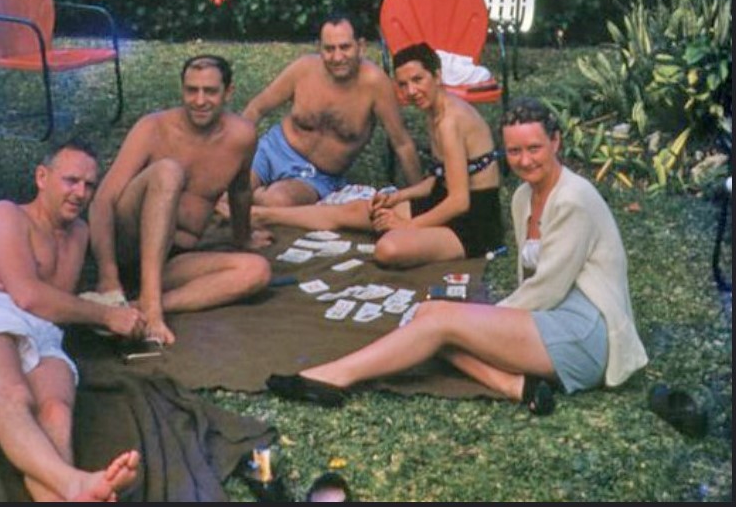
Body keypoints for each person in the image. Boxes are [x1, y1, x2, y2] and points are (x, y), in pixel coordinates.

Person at [266, 96, 649, 414]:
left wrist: (481, 318)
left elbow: (547, 289)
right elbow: (532, 281)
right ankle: (517, 387)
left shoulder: (574, 199)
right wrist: (474, 320)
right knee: (426, 315)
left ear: (556, 143)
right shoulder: (522, 196)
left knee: (441, 323)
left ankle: (334, 376)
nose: (525, 160)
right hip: (551, 320)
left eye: (534, 148)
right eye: (514, 151)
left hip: (585, 337)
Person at [0, 140, 144, 502]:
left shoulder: (79, 234)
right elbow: (27, 294)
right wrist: (107, 315)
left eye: (89, 185)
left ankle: (66, 496)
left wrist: (120, 312)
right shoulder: (7, 214)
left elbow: (56, 306)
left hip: (45, 329)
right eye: (71, 180)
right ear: (42, 177)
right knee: (12, 396)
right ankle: (73, 483)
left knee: (57, 410)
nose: (80, 193)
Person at [245, 42, 504, 268]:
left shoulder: (450, 121)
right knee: (356, 211)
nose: (412, 91)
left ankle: (417, 233)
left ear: (436, 76)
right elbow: (442, 178)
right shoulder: (434, 112)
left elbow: (460, 201)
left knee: (388, 248)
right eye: (403, 85)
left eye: (418, 80)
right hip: (441, 199)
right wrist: (399, 196)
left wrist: (407, 226)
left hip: (473, 222)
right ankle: (262, 214)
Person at [88, 54, 271, 346]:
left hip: (175, 259)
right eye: (191, 90)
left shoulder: (242, 136)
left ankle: (144, 305)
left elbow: (239, 190)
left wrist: (243, 237)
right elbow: (102, 201)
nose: (199, 100)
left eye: (210, 91)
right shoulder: (153, 128)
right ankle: (151, 303)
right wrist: (108, 275)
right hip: (130, 245)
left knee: (257, 271)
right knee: (169, 172)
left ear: (228, 92)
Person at [239, 12, 422, 209]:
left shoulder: (375, 85)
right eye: (329, 49)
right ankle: (244, 202)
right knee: (227, 192)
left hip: (318, 176)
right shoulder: (304, 68)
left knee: (275, 201)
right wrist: (233, 150)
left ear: (360, 47)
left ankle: (249, 204)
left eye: (345, 47)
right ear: (319, 48)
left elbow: (402, 144)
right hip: (273, 150)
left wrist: (422, 198)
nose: (337, 57)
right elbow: (257, 108)